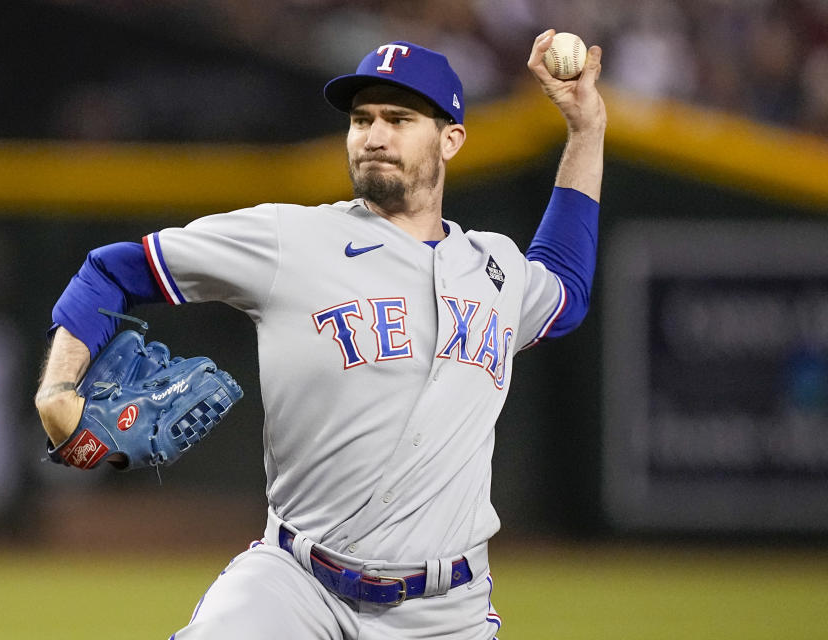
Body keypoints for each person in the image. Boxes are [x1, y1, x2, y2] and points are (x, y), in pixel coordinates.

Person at [35, 30, 605, 640]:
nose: (374, 136)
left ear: (451, 139)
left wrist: (585, 131)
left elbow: (565, 290)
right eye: (362, 119)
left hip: (445, 611)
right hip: (294, 586)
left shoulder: (494, 270)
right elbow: (112, 271)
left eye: (399, 118)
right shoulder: (288, 239)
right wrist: (58, 387)